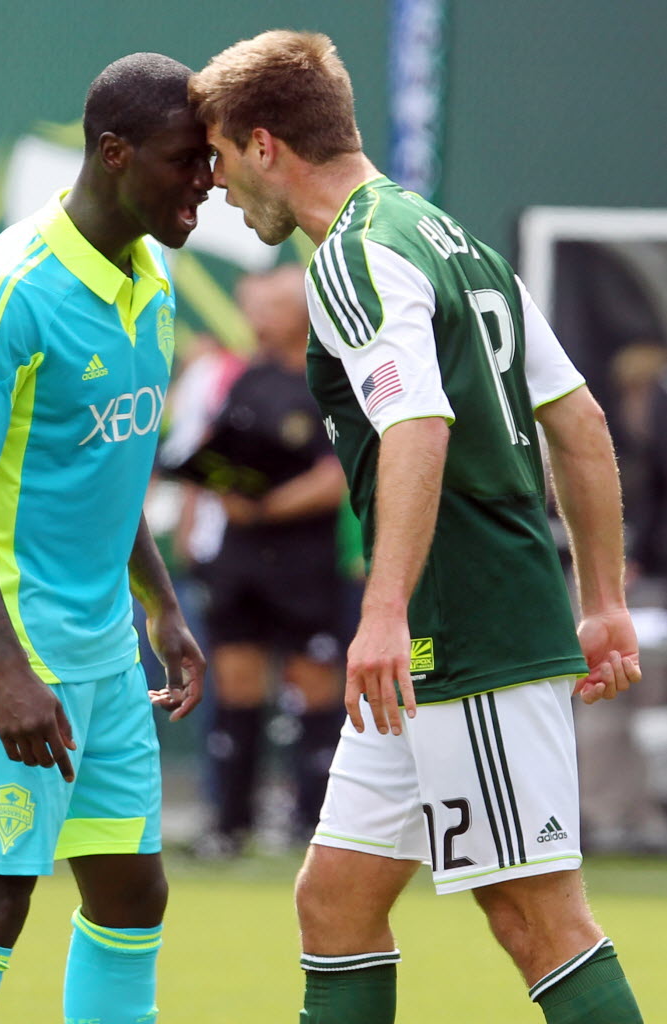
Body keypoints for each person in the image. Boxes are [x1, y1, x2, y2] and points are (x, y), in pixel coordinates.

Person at [190, 30, 644, 1024]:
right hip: (445, 634)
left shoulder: (351, 255)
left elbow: (416, 420)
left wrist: (384, 609)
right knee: (335, 900)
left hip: (460, 626)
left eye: (220, 157)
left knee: (535, 917)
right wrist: (603, 600)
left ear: (266, 144)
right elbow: (577, 420)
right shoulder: (446, 237)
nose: (217, 186)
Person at [0, 52, 211, 1024]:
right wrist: (5, 667)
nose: (207, 182)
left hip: (105, 654)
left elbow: (105, 472)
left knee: (132, 895)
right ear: (113, 153)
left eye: (210, 160)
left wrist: (162, 606)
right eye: (184, 160)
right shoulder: (6, 293)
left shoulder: (152, 278)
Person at [190, 265, 347, 855]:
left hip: (304, 563)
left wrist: (270, 506)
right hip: (240, 562)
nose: (256, 318)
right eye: (252, 306)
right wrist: (220, 488)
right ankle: (229, 825)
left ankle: (316, 824)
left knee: (312, 686)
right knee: (235, 684)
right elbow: (215, 455)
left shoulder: (330, 382)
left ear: (301, 313)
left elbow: (339, 477)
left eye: (270, 306)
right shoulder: (245, 379)